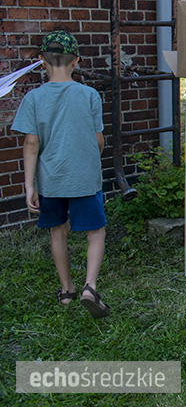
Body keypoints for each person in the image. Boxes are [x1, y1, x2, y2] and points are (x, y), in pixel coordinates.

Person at [11, 31, 110, 319]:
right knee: (96, 231)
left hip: (51, 180)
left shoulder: (33, 98)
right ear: (76, 61)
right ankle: (89, 287)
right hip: (84, 177)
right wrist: (90, 160)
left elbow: (31, 143)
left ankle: (67, 291)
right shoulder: (90, 95)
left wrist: (29, 185)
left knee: (58, 231)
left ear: (42, 61)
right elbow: (99, 140)